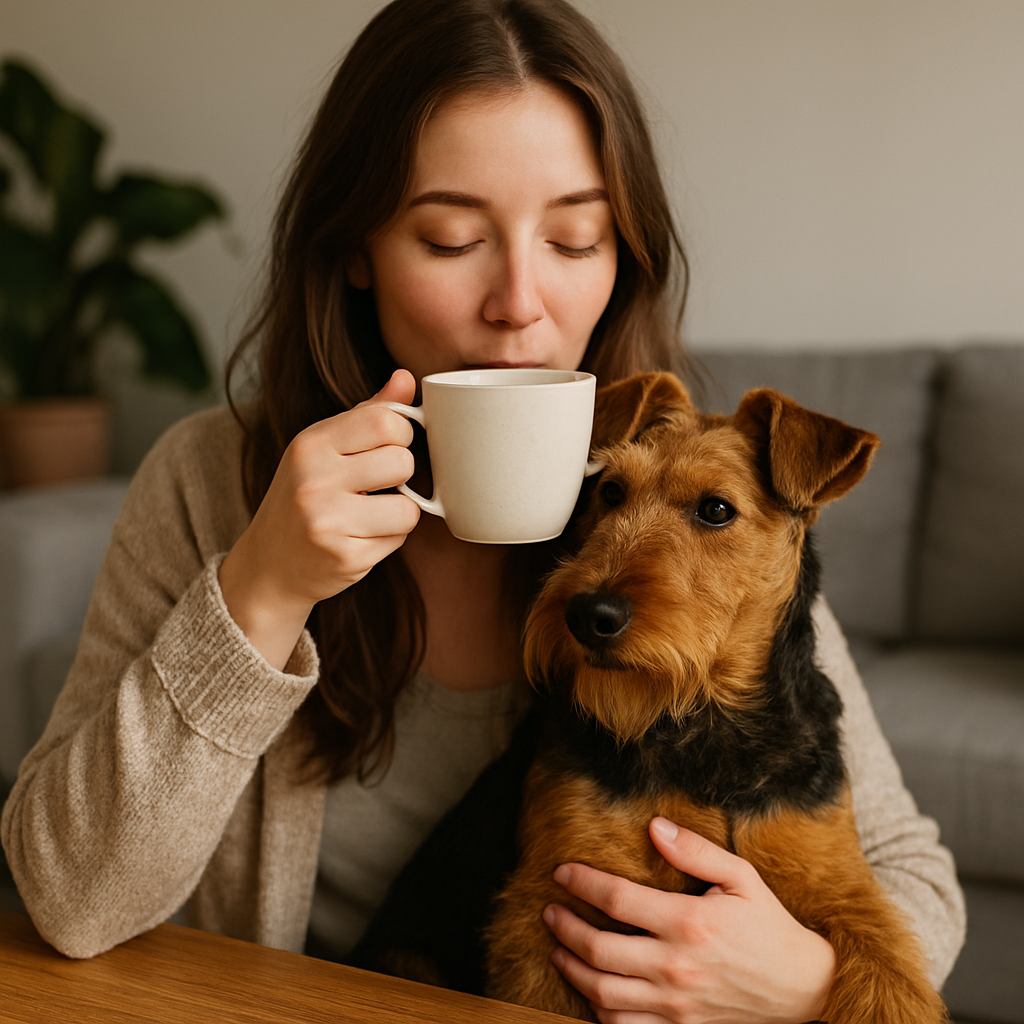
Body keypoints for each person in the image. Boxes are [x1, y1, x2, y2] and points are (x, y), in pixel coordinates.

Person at [1, 1, 964, 1021]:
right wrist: (261, 589)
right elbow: (70, 904)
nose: (519, 300)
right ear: (356, 245)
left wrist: (802, 984)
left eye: (574, 237)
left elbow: (911, 872)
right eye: (452, 237)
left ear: (621, 257)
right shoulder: (210, 482)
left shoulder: (671, 477)